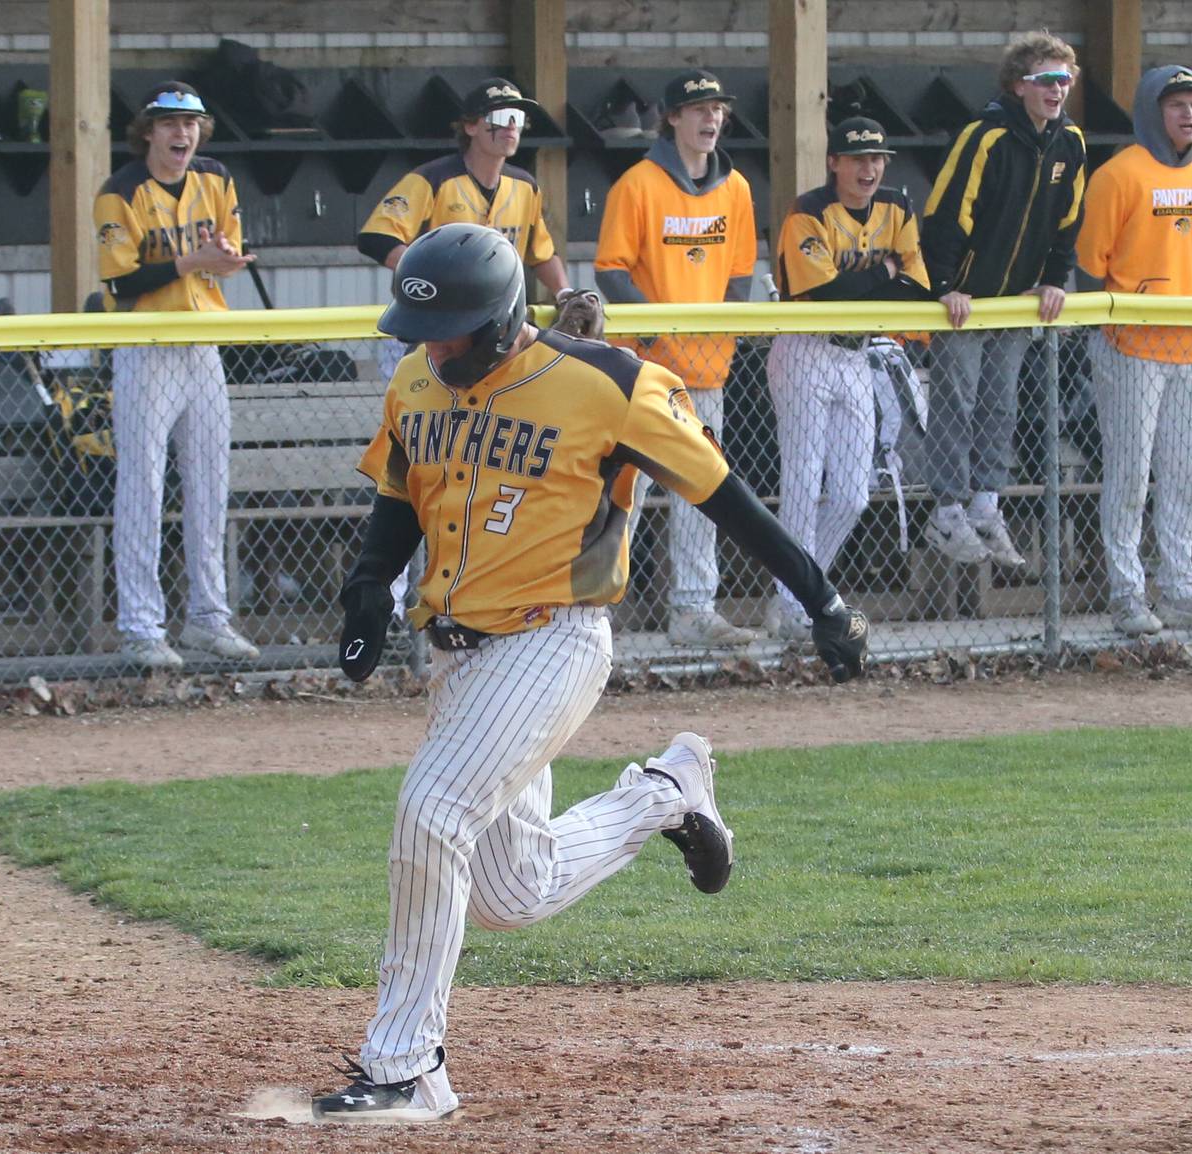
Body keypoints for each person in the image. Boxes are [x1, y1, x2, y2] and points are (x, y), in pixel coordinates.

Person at [313, 222, 869, 1122]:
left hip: (554, 641)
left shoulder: (611, 385)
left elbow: (729, 500)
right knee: (509, 893)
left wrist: (823, 603)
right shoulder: (418, 378)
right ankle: (666, 794)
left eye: (448, 328)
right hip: (458, 657)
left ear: (499, 323)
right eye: (421, 330)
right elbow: (398, 491)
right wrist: (368, 584)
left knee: (432, 812)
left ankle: (405, 1068)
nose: (427, 346)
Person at [357, 76, 577, 630]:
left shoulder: (523, 185)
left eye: (518, 120)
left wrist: (568, 293)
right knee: (414, 482)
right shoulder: (433, 180)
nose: (510, 129)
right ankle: (393, 603)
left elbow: (541, 251)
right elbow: (377, 236)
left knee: (478, 476)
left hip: (497, 354)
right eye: (500, 118)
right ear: (472, 126)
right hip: (429, 346)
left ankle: (467, 600)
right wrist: (437, 283)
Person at [93, 82, 261, 669]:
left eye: (189, 124)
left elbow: (229, 255)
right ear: (148, 131)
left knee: (210, 487)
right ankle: (142, 626)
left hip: (203, 345)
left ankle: (209, 618)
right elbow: (119, 283)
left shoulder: (214, 177)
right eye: (168, 124)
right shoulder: (120, 191)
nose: (181, 134)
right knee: (142, 487)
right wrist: (194, 260)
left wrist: (228, 260)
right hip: (146, 345)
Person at [594, 68, 759, 648]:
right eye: (699, 110)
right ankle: (598, 608)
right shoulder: (637, 184)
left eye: (718, 109)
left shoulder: (735, 188)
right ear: (672, 117)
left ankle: (693, 610)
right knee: (623, 494)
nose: (711, 119)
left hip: (705, 373)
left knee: (702, 491)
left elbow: (740, 273)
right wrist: (661, 333)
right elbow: (610, 271)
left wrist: (716, 335)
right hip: (639, 373)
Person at [1076, 66, 1192, 636]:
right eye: (1176, 104)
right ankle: (1127, 593)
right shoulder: (1117, 175)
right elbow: (1089, 267)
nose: (1189, 114)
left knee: (1184, 473)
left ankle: (1179, 590)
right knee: (1129, 472)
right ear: (1152, 109)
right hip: (1129, 349)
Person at [919, 32, 1087, 569]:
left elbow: (1068, 222)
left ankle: (987, 505)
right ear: (1019, 86)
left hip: (1015, 302)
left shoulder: (1071, 144)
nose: (1057, 89)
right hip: (965, 301)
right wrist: (945, 285)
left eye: (1065, 79)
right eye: (1046, 80)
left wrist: (1055, 278)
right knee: (957, 402)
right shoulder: (985, 136)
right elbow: (947, 213)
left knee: (1001, 405)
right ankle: (946, 510)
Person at [766, 116, 931, 640]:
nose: (870, 168)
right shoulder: (809, 211)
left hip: (857, 353)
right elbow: (828, 295)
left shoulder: (898, 206)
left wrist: (875, 283)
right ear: (834, 162)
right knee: (801, 483)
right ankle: (792, 605)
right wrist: (883, 272)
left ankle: (802, 589)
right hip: (805, 350)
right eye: (858, 159)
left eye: (878, 158)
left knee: (854, 495)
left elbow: (916, 288)